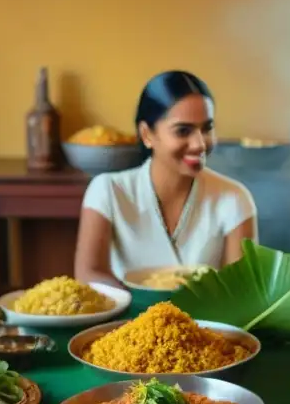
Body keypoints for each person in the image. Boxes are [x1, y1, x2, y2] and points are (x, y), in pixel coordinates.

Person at [74, 71, 257, 286]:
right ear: (147, 135)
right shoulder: (108, 190)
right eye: (183, 131)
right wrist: (145, 307)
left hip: (206, 320)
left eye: (207, 128)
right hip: (128, 318)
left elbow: (241, 288)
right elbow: (89, 273)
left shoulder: (234, 197)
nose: (199, 144)